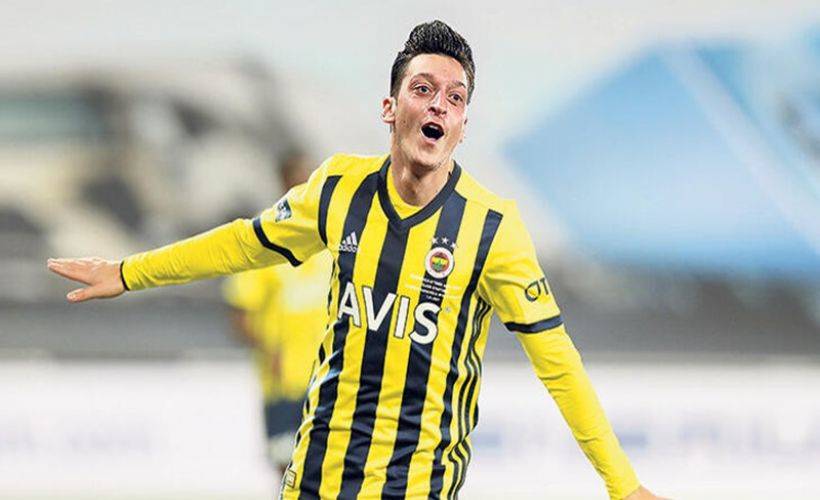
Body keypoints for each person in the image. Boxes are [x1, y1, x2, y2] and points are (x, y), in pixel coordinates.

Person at [48, 20, 662, 500]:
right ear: (390, 108)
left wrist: (623, 483)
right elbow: (240, 242)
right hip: (316, 476)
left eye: (454, 98)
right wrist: (128, 272)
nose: (439, 106)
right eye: (423, 90)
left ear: (463, 124)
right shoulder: (338, 189)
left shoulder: (493, 229)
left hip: (418, 485)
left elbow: (560, 366)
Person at [222, 151, 332, 475]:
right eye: (299, 178)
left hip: (330, 377)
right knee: (287, 467)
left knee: (328, 467)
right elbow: (240, 313)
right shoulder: (265, 236)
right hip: (283, 379)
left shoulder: (332, 232)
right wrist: (268, 349)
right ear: (283, 182)